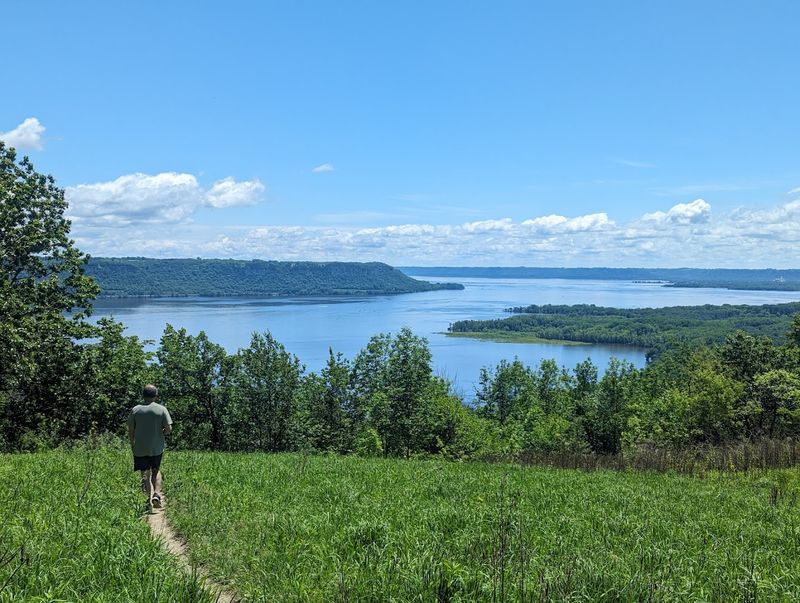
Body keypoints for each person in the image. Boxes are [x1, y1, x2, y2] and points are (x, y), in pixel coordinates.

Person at [127, 384, 173, 509]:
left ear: (143, 395)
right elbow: (169, 428)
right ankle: (156, 495)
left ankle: (147, 501)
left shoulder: (135, 410)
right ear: (155, 395)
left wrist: (133, 444)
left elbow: (131, 430)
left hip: (140, 448)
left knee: (144, 474)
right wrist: (161, 432)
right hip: (156, 447)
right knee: (156, 470)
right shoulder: (161, 409)